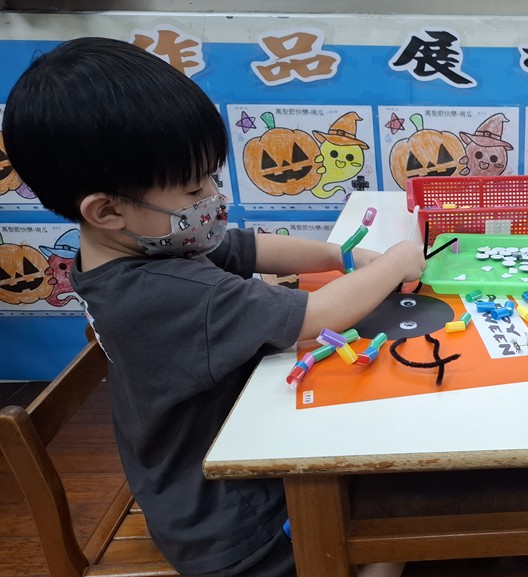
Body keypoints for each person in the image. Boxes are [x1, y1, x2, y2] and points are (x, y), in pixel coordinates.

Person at [2, 37, 422, 577]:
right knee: (398, 510)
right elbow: (316, 317)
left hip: (192, 481)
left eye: (210, 177)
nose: (212, 198)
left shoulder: (131, 247)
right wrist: (397, 260)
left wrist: (344, 255)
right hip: (236, 527)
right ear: (106, 210)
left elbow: (245, 246)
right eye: (192, 187)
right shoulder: (164, 294)